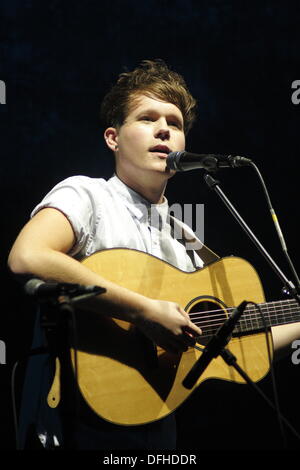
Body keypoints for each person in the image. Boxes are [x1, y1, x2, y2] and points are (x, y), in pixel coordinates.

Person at [8, 59, 300, 450]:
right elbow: (27, 256)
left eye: (175, 124)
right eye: (147, 118)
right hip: (72, 430)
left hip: (157, 442)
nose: (164, 129)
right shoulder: (87, 195)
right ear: (113, 138)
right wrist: (143, 311)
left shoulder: (185, 240)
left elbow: (235, 346)